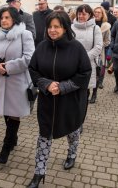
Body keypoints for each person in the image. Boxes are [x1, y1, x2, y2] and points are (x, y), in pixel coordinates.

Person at [27, 11, 91, 188]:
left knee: (72, 131)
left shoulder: (76, 48)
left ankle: (72, 153)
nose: (52, 30)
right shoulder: (41, 47)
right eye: (50, 27)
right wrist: (46, 84)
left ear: (64, 28)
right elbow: (33, 69)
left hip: (70, 102)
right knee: (44, 136)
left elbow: (85, 73)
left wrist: (62, 87)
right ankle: (39, 173)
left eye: (57, 27)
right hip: (47, 101)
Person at [0, 6, 35, 164]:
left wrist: (7, 67)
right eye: (1, 18)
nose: (3, 20)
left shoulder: (24, 34)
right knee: (6, 113)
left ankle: (6, 148)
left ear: (14, 19)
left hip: (18, 82)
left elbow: (29, 58)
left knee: (14, 114)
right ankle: (13, 138)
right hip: (1, 81)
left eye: (7, 17)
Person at [71, 4, 103, 104]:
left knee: (85, 90)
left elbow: (98, 47)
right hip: (72, 63)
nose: (81, 16)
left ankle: (81, 113)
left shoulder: (95, 28)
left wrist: (84, 58)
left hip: (88, 63)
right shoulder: (71, 27)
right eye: (79, 13)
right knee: (71, 88)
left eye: (84, 14)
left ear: (89, 15)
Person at [93, 6, 111, 92]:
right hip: (89, 50)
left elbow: (108, 41)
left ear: (102, 14)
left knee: (99, 69)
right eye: (95, 12)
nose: (96, 14)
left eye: (98, 12)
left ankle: (97, 87)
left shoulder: (106, 26)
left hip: (100, 51)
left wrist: (99, 45)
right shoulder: (90, 24)